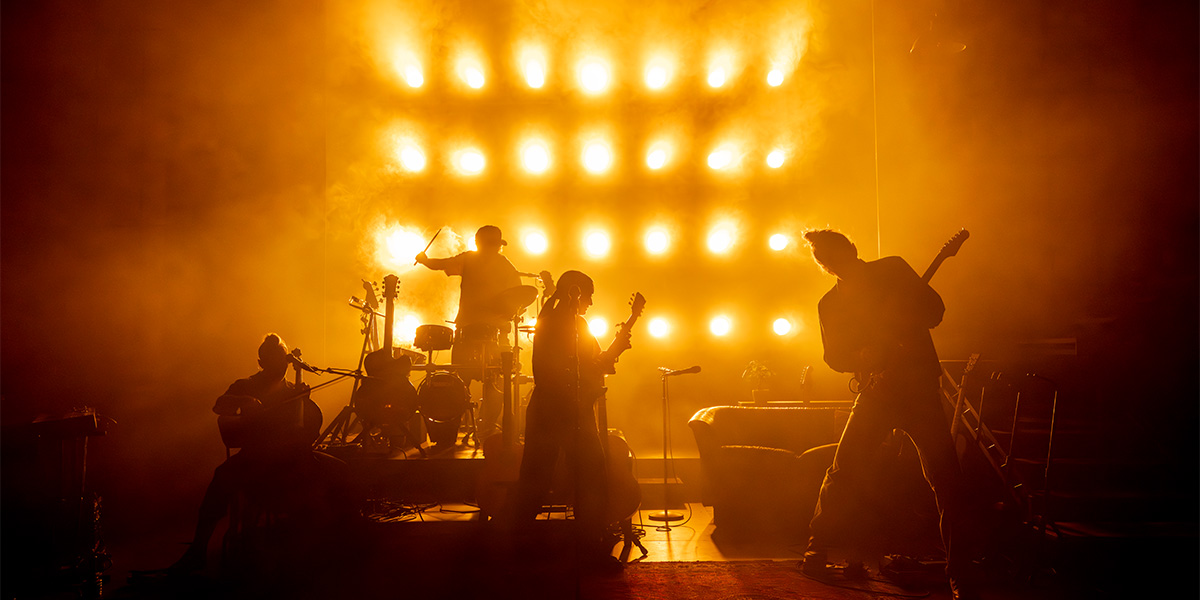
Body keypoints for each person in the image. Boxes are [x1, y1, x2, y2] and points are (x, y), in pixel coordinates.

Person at [800, 230, 978, 600]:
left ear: (853, 249)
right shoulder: (829, 305)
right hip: (876, 393)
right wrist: (862, 357)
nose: (834, 263)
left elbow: (935, 312)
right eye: (826, 260)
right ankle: (816, 547)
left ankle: (959, 574)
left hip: (918, 392)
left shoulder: (894, 270)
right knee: (843, 468)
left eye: (837, 255)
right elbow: (834, 357)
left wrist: (908, 308)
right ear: (823, 266)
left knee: (947, 481)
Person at [168, 333, 325, 575]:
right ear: (261, 363)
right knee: (221, 478)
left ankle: (326, 548)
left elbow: (306, 429)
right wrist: (244, 400)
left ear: (288, 361)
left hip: (291, 459)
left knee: (338, 471)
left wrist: (304, 402)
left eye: (283, 360)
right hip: (256, 457)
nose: (280, 365)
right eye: (272, 361)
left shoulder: (295, 390)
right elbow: (219, 405)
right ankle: (197, 550)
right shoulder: (246, 385)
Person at [506, 270, 630, 567]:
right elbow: (565, 370)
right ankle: (589, 548)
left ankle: (511, 544)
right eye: (588, 293)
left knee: (541, 479)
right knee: (587, 476)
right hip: (561, 408)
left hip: (555, 408)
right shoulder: (564, 323)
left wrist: (617, 347)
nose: (591, 300)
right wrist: (610, 353)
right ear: (574, 291)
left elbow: (592, 365)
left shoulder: (557, 321)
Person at [416, 225, 522, 442]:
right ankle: (487, 430)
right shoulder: (505, 265)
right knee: (495, 384)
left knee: (459, 383)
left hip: (468, 329)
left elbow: (443, 264)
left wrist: (425, 260)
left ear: (477, 242)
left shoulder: (469, 259)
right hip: (494, 332)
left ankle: (450, 431)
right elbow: (519, 296)